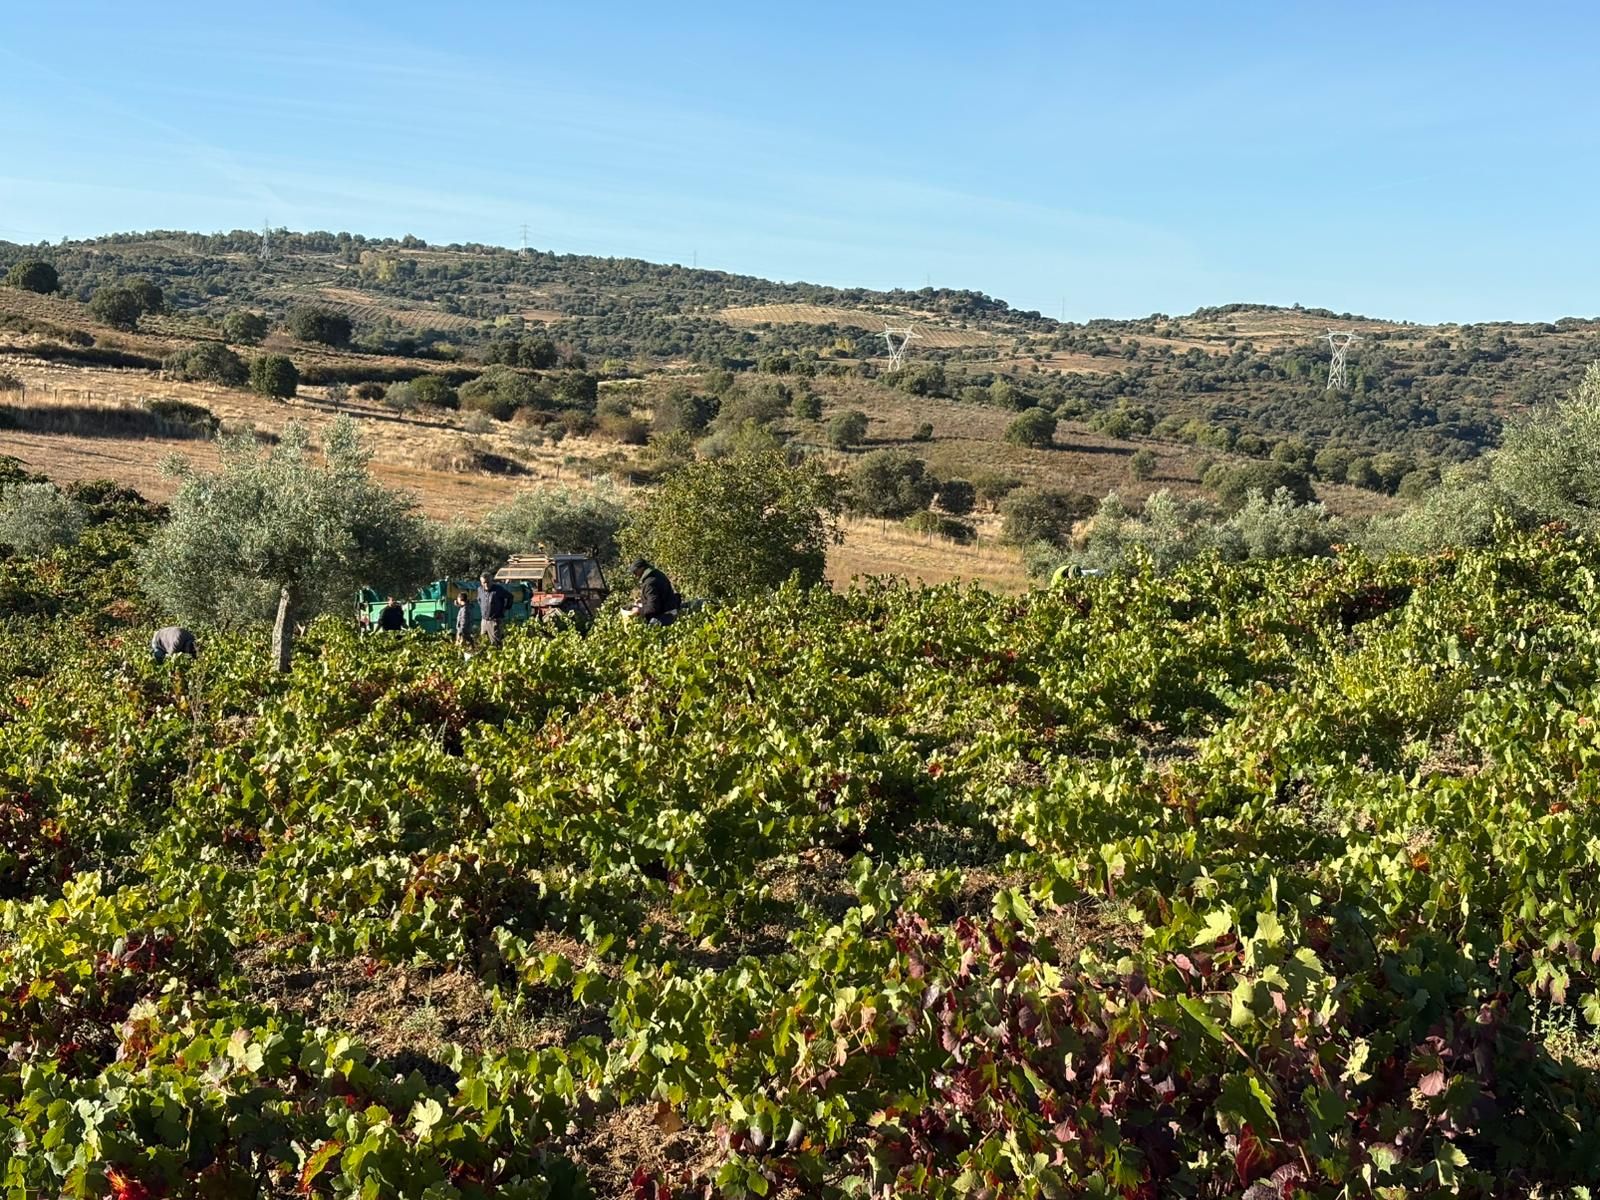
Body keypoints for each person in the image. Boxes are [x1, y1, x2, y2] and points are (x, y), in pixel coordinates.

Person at [625, 559, 681, 625]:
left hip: (665, 616)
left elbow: (653, 608)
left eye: (635, 572)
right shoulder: (657, 573)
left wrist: (639, 611)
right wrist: (644, 600)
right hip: (671, 609)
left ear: (642, 568)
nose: (634, 575)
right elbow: (659, 595)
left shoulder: (649, 583)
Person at [478, 572, 512, 647]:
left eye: (488, 582)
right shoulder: (480, 590)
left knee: (496, 644)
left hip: (494, 621)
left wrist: (506, 608)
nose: (486, 585)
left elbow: (510, 597)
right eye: (484, 583)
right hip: (484, 621)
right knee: (483, 642)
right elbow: (479, 600)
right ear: (481, 582)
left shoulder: (498, 589)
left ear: (491, 581)